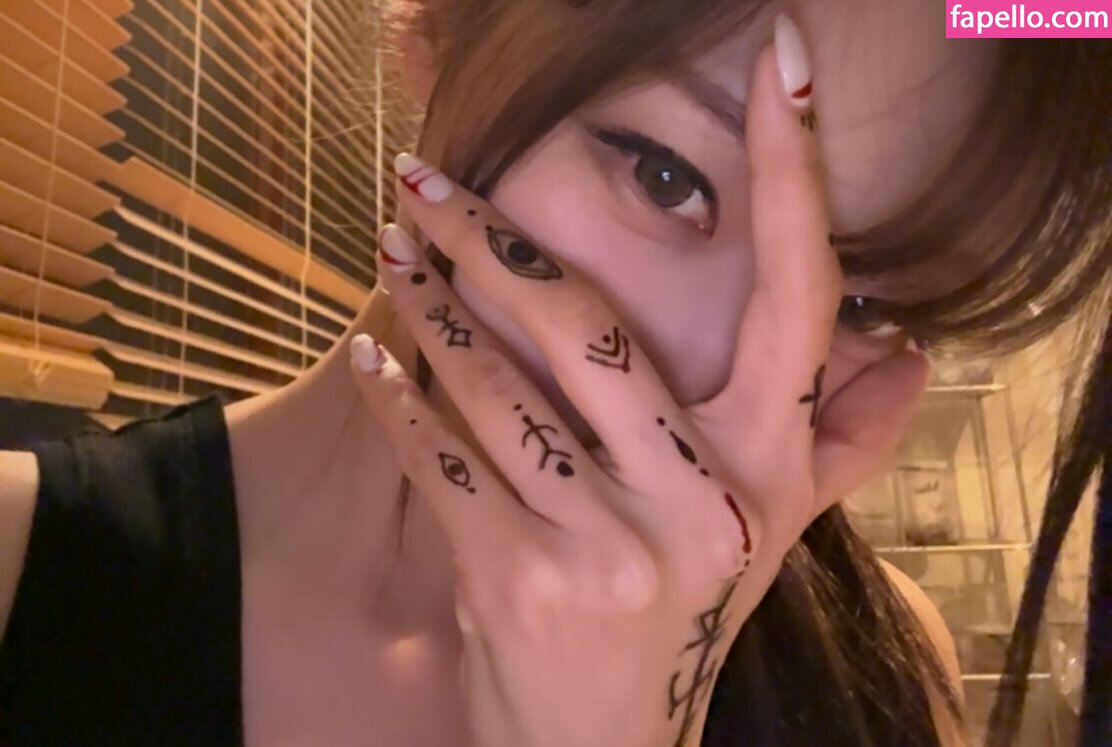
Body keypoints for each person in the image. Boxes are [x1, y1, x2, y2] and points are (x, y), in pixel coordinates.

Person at [0, 1, 1107, 745]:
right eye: (665, 176)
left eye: (860, 304)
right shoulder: (23, 579)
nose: (713, 369)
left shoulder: (885, 668)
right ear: (443, 29)